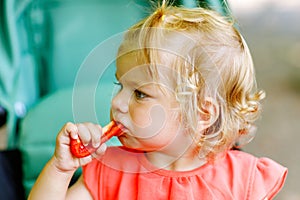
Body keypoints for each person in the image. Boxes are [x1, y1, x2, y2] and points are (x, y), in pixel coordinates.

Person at [28, 2, 287, 200]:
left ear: (202, 113)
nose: (117, 102)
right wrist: (61, 169)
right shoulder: (109, 171)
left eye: (140, 93)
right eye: (120, 86)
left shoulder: (242, 182)